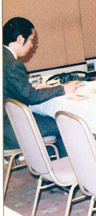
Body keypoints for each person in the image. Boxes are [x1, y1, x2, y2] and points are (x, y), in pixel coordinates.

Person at [3, 17, 79, 156]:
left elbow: (13, 89)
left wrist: (36, 88)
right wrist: (63, 89)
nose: (32, 45)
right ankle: (63, 167)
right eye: (31, 39)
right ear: (20, 39)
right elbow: (31, 97)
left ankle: (48, 166)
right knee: (63, 123)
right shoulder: (13, 64)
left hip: (6, 126)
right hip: (9, 130)